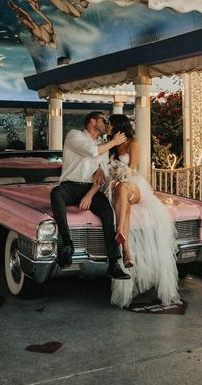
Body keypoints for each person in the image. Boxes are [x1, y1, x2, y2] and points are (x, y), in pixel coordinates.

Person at [106, 114, 180, 308]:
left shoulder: (133, 143)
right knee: (124, 204)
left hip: (134, 185)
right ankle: (127, 251)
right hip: (114, 187)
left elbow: (132, 168)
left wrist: (120, 177)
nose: (107, 126)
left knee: (122, 190)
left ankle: (119, 234)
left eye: (109, 124)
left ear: (117, 126)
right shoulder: (111, 146)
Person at [50, 112, 131, 280]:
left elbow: (102, 175)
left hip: (91, 188)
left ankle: (114, 263)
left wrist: (89, 195)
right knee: (56, 193)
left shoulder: (103, 144)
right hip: (70, 185)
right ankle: (67, 243)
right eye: (103, 120)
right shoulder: (74, 135)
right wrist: (114, 142)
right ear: (92, 121)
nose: (106, 123)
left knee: (108, 213)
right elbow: (91, 151)